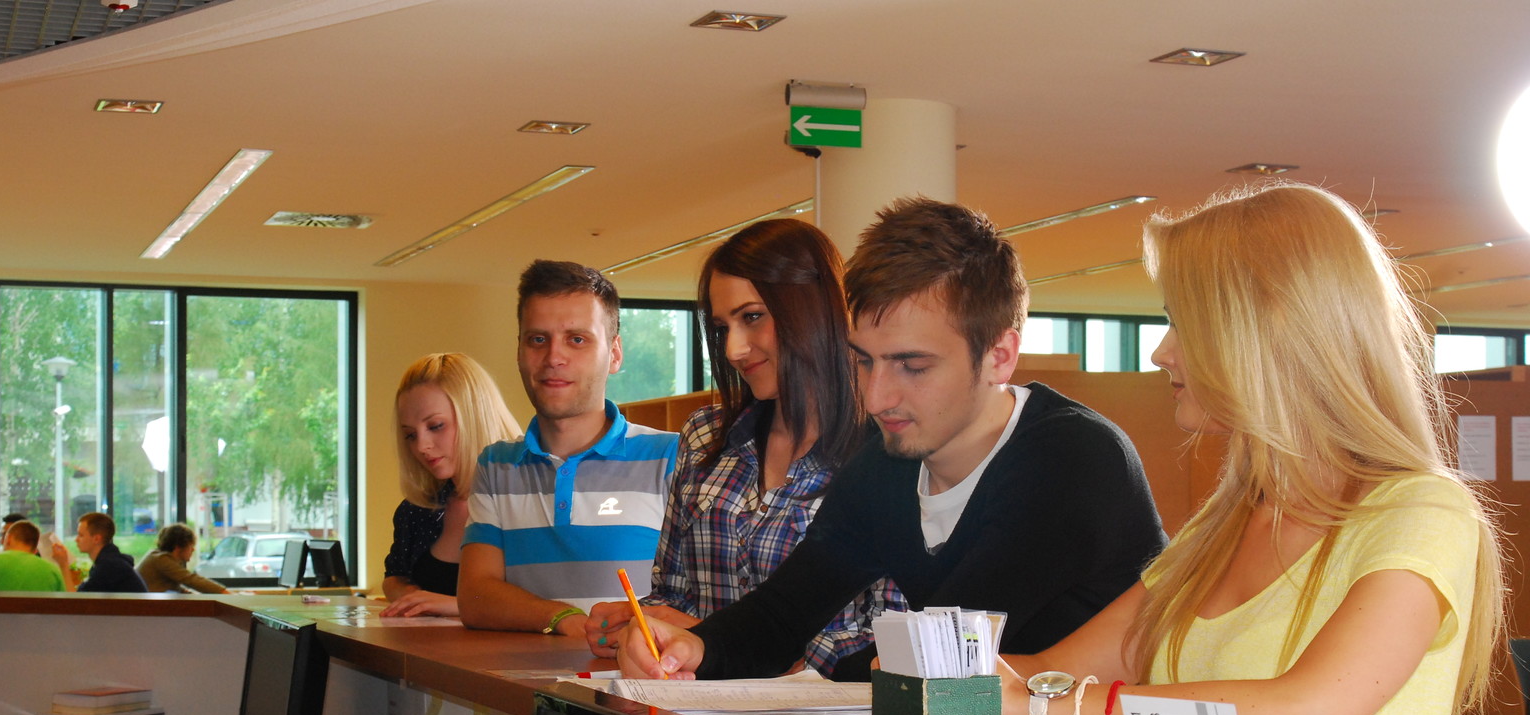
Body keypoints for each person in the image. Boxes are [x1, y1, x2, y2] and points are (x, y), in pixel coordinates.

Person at [996, 183, 1506, 715]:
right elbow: (1050, 670)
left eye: (1182, 323)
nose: (1161, 352)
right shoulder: (1221, 529)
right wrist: (936, 674)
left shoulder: (1422, 512)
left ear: (1267, 330)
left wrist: (1050, 710)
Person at [618, 197, 1166, 681]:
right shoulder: (887, 463)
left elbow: (938, 653)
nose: (877, 398)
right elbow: (783, 613)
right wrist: (694, 646)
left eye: (913, 366)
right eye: (864, 361)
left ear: (999, 356)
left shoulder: (1072, 459)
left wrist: (819, 672)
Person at [584, 219, 907, 674]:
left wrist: (710, 640)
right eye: (722, 328)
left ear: (813, 308)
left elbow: (892, 639)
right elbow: (673, 593)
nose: (734, 349)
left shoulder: (886, 453)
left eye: (752, 317)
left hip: (821, 714)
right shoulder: (705, 436)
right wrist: (642, 624)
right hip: (693, 702)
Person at [457, 260, 677, 635]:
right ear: (519, 351)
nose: (553, 358)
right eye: (537, 340)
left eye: (577, 339)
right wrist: (565, 619)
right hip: (523, 673)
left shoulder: (671, 458)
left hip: (636, 671)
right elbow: (476, 598)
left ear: (615, 354)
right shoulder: (497, 465)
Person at [381, 353, 520, 617]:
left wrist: (455, 606)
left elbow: (547, 599)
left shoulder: (528, 500)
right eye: (410, 435)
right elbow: (395, 576)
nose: (421, 446)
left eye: (435, 426)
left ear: (475, 416)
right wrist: (410, 596)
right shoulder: (418, 510)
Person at [53, 511, 148, 593]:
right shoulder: (110, 562)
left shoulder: (109, 567)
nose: (76, 539)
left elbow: (76, 602)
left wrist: (63, 565)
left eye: (81, 535)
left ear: (96, 539)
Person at [137, 523, 228, 594]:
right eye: (191, 546)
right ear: (179, 547)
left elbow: (174, 587)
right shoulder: (161, 559)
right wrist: (225, 593)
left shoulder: (159, 557)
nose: (193, 549)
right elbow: (191, 580)